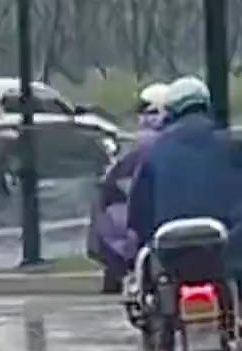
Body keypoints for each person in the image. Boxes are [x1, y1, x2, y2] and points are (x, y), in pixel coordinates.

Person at [128, 75, 242, 286]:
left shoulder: (154, 153)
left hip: (171, 255)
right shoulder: (232, 146)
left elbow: (138, 212)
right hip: (225, 253)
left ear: (170, 111)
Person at [88, 83, 169, 294]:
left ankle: (122, 263)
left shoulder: (144, 142)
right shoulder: (169, 138)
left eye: (146, 110)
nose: (142, 116)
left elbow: (117, 176)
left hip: (151, 211)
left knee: (112, 216)